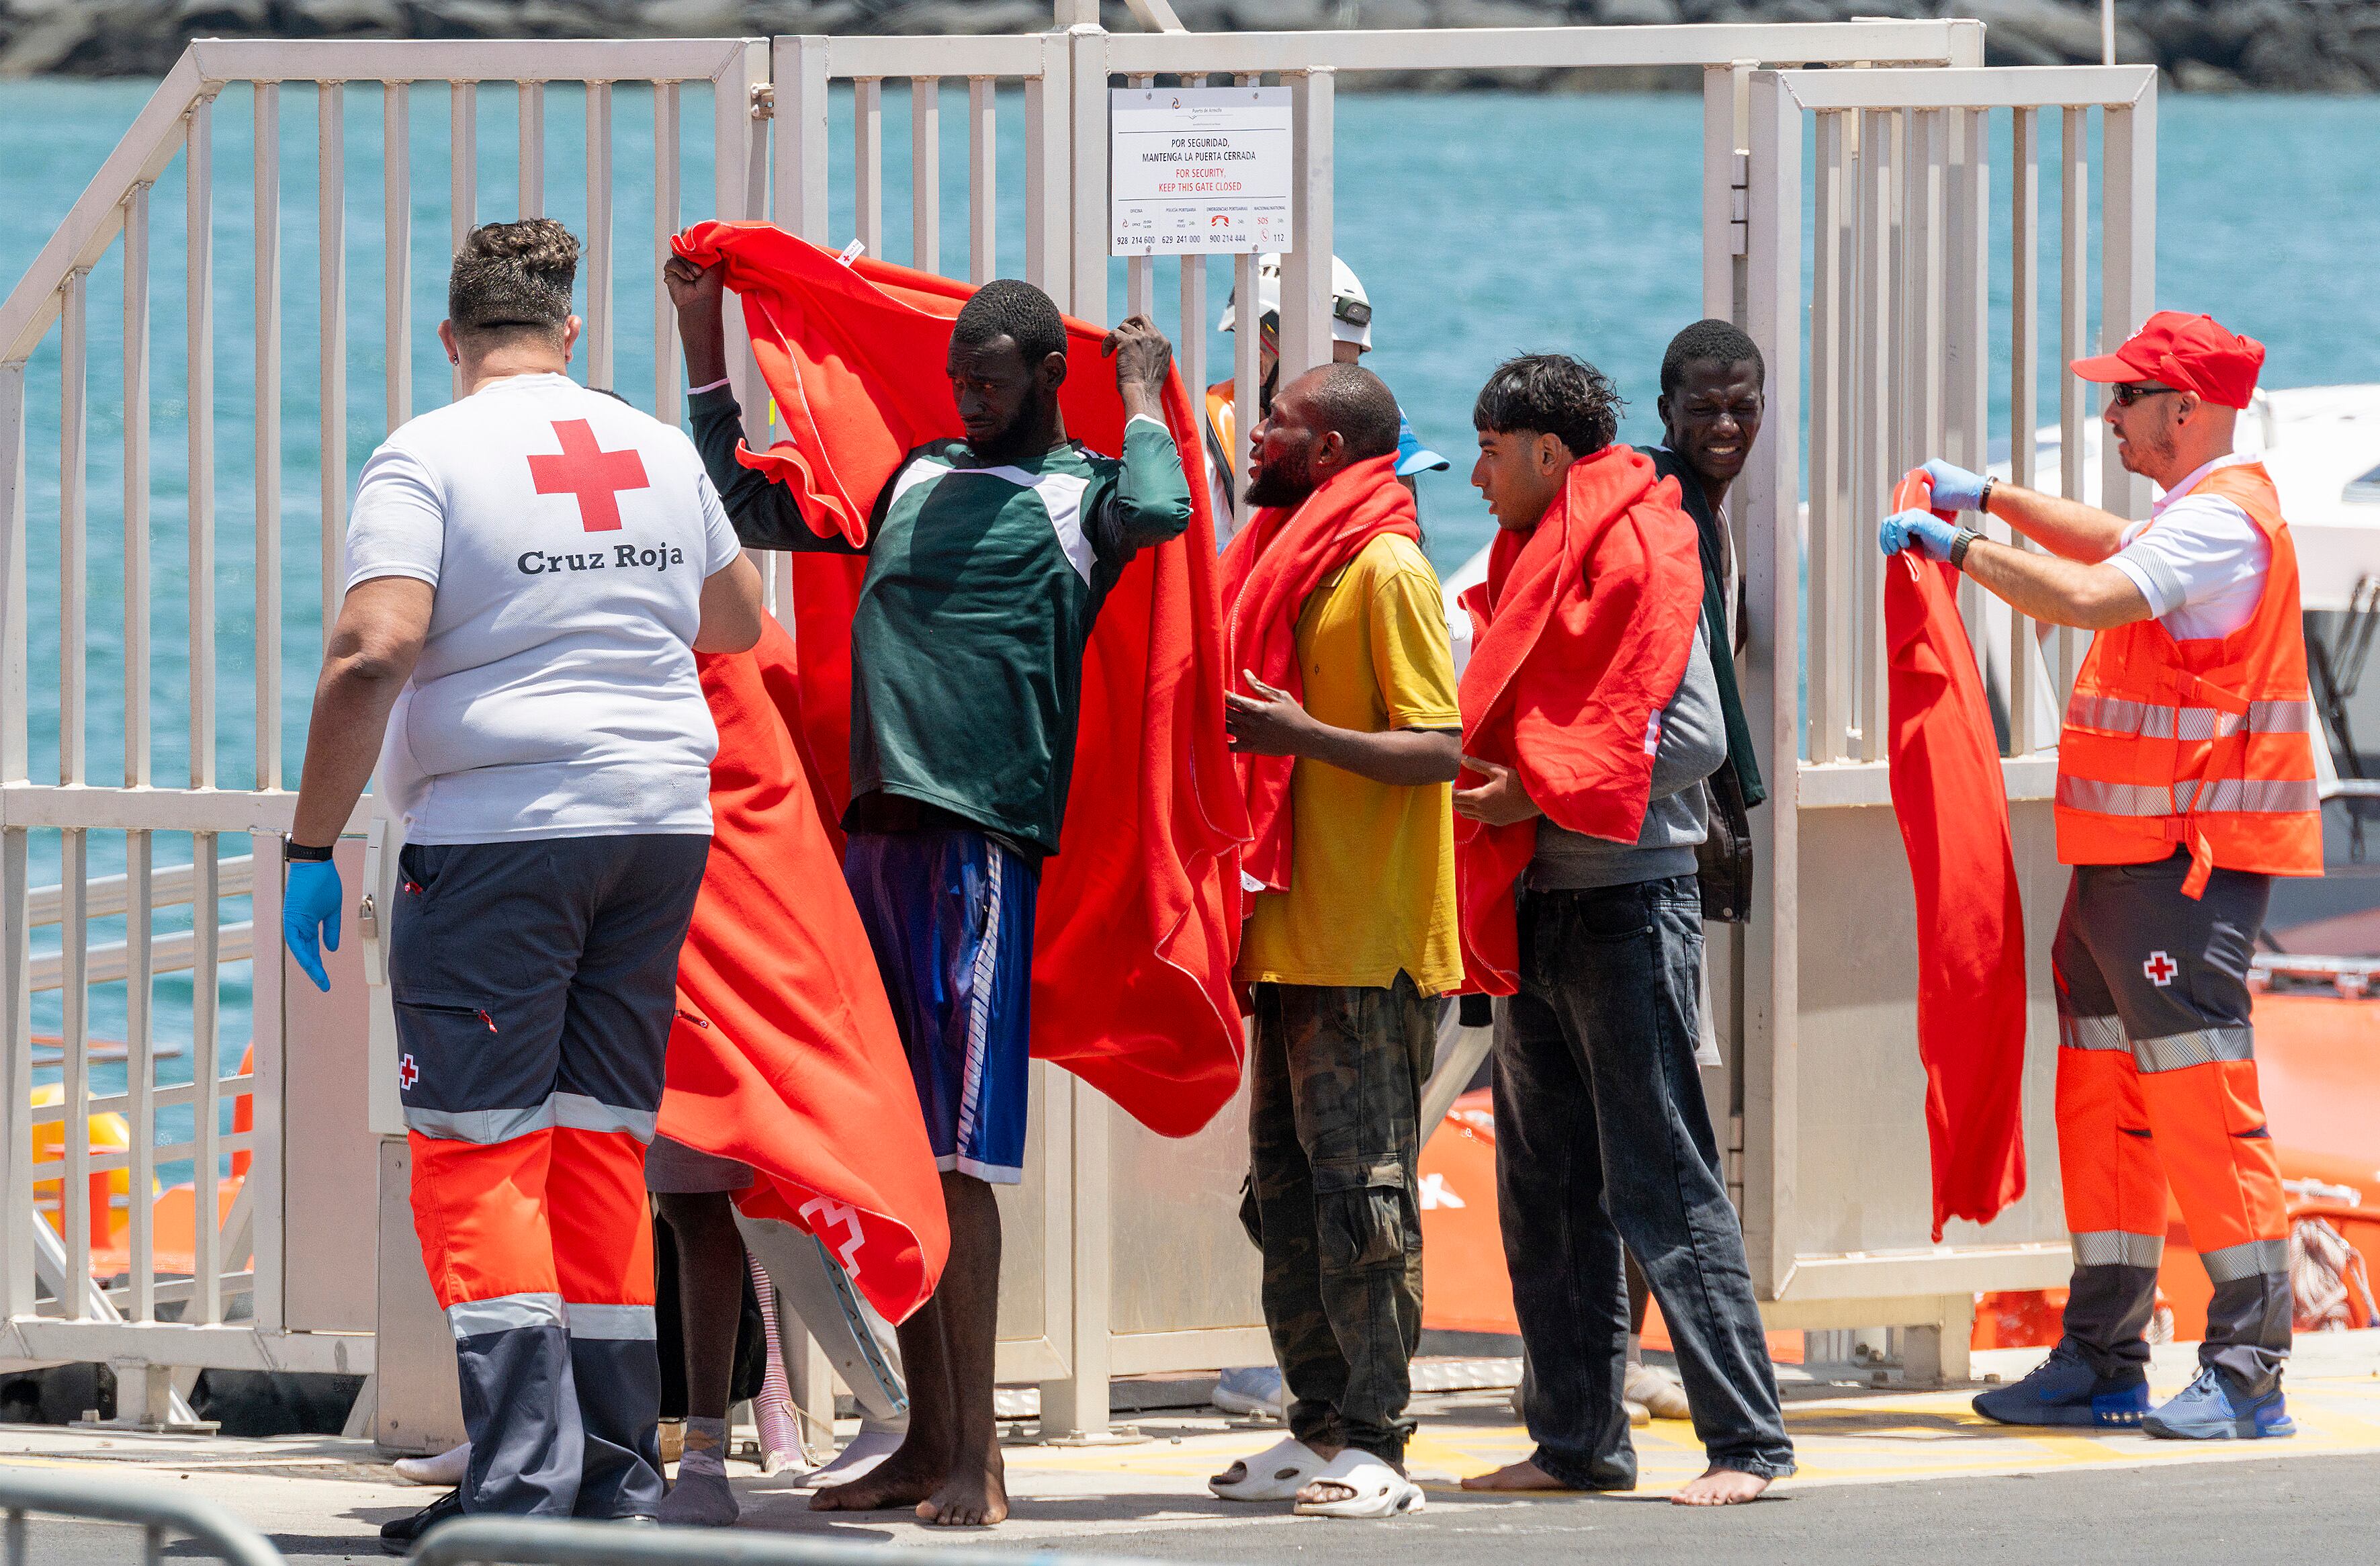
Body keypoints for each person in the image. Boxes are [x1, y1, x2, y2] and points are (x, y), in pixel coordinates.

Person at [663, 254, 1193, 1525]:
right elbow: (746, 506)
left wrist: (1139, 387)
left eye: (992, 380)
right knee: (892, 1153)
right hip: (872, 849)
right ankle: (920, 1441)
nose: (966, 396)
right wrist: (702, 344)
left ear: (1045, 380)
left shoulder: (1087, 495)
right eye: (957, 376)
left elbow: (1169, 506)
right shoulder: (916, 473)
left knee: (957, 1166)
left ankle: (979, 1461)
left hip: (975, 854)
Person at [277, 218, 766, 1551]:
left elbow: (372, 649)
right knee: (600, 1140)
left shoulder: (426, 454)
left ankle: (519, 1485)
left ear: (452, 339)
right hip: (658, 826)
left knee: (479, 1152)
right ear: (571, 334)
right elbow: (737, 625)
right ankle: (611, 1471)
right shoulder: (654, 449)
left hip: (501, 834)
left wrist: (311, 845)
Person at [1888, 311, 2320, 1440]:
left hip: (2182, 872)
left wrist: (1955, 551)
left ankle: (2245, 1373)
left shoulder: (2223, 526)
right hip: (2123, 871)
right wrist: (1983, 495)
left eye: (2124, 396)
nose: (2106, 412)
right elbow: (2102, 543)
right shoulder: (2196, 514)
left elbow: (2087, 594)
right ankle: (2100, 1356)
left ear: (2185, 408)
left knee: (2201, 1114)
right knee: (2104, 1107)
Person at [1452, 353, 1794, 1506]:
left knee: (1660, 1176)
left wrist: (1538, 789)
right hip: (1535, 903)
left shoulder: (1643, 550)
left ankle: (1746, 1443)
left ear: (1547, 453)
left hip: (1626, 906)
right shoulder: (1526, 555)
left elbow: (1694, 743)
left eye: (1490, 450)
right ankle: (1575, 1439)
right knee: (1540, 1186)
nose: (1476, 475)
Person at [1205, 361, 1461, 1520]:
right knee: (1288, 1194)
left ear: (1327, 450)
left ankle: (1379, 1442)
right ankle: (1314, 1430)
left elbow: (1439, 745)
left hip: (1368, 939)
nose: (1252, 434)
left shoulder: (1388, 567)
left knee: (1364, 1200)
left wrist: (1298, 734)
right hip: (1289, 930)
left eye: (1276, 423)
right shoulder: (1278, 554)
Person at [1616, 317, 1777, 1424]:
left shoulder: (1701, 512)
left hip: (1659, 838)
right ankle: (1614, 1352)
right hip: (1644, 847)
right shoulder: (1668, 507)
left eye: (1743, 406)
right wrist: (1733, 805)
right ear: (1664, 406)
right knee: (1656, 1117)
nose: (1725, 425)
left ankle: (1609, 1349)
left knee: (1648, 1112)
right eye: (1705, 406)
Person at [1202, 253, 1450, 543]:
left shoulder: (1368, 423)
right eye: (1322, 369)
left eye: (1349, 370)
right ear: (1258, 366)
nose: (1340, 387)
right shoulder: (1200, 453)